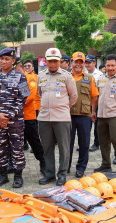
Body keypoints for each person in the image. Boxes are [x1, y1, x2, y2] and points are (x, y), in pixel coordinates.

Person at [0, 48, 29, 188]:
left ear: (13, 61)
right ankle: (3, 175)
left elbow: (23, 97)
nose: (4, 61)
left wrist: (8, 116)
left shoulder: (20, 76)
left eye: (7, 59)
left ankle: (18, 176)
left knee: (17, 148)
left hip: (15, 121)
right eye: (1, 59)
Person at [37, 48, 78, 186]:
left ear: (60, 61)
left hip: (62, 118)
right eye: (50, 61)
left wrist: (64, 107)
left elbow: (74, 96)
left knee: (63, 148)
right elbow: (40, 94)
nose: (53, 64)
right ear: (46, 61)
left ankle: (62, 175)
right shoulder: (40, 75)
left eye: (55, 61)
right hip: (44, 118)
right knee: (47, 148)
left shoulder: (67, 76)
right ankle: (49, 174)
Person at [68, 52, 98, 178]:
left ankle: (81, 168)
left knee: (84, 144)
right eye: (76, 62)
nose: (79, 65)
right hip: (67, 116)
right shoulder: (65, 77)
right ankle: (65, 166)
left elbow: (94, 96)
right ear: (71, 62)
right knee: (67, 144)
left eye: (81, 62)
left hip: (84, 116)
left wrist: (88, 108)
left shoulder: (89, 78)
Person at [15, 59, 46, 175]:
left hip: (27, 117)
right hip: (14, 118)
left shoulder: (26, 79)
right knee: (15, 143)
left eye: (15, 67)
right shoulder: (10, 79)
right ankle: (13, 165)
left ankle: (43, 161)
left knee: (34, 141)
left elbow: (28, 98)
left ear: (20, 67)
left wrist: (12, 105)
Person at [85, 54, 103, 152]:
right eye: (86, 63)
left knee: (96, 124)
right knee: (86, 125)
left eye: (90, 63)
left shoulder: (100, 75)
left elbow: (100, 92)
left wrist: (94, 108)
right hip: (85, 103)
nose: (87, 65)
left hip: (96, 103)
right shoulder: (83, 74)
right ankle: (85, 143)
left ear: (94, 63)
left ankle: (96, 144)